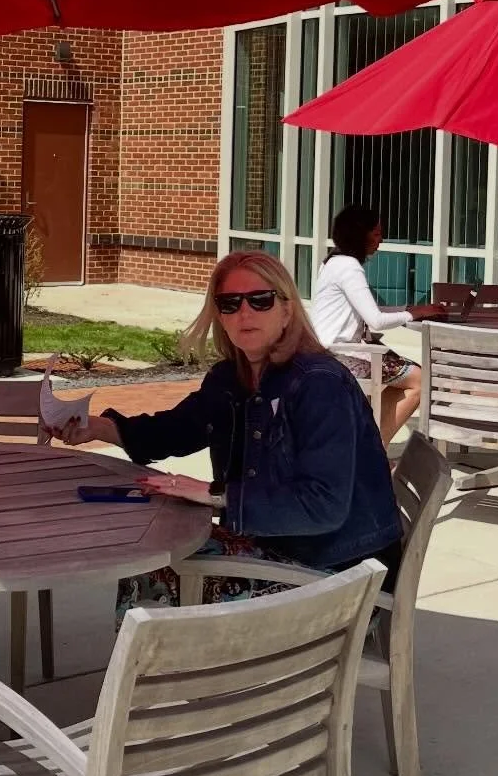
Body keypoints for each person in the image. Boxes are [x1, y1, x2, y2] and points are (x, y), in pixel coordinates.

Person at [58, 249, 401, 620]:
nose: (244, 313)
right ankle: (159, 674)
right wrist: (98, 427)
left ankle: (169, 674)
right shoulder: (231, 378)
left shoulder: (319, 385)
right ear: (218, 315)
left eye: (260, 300)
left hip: (343, 576)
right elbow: (175, 431)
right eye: (230, 303)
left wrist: (215, 494)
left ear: (287, 310)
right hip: (282, 551)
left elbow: (323, 507)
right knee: (148, 556)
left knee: (160, 574)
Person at [309, 204, 445, 446]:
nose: (380, 240)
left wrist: (413, 310)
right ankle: (372, 451)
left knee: (406, 381)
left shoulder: (332, 261)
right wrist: (412, 315)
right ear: (360, 235)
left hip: (330, 350)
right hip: (342, 356)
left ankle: (370, 443)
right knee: (423, 380)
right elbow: (376, 320)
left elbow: (371, 310)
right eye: (377, 233)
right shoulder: (349, 267)